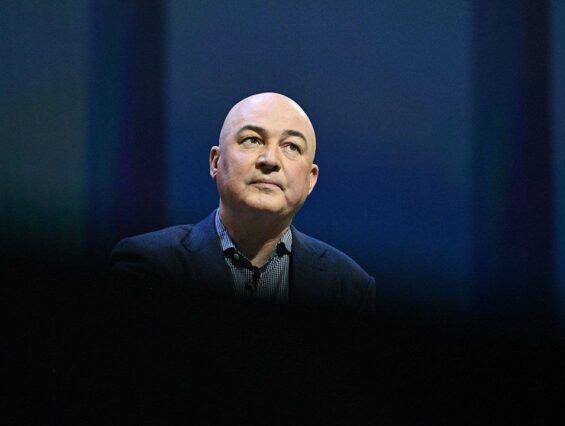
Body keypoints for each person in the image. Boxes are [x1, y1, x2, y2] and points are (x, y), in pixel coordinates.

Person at [110, 92, 375, 314]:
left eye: (291, 146)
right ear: (216, 162)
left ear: (310, 180)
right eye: (252, 140)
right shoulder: (150, 264)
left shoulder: (349, 287)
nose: (270, 160)